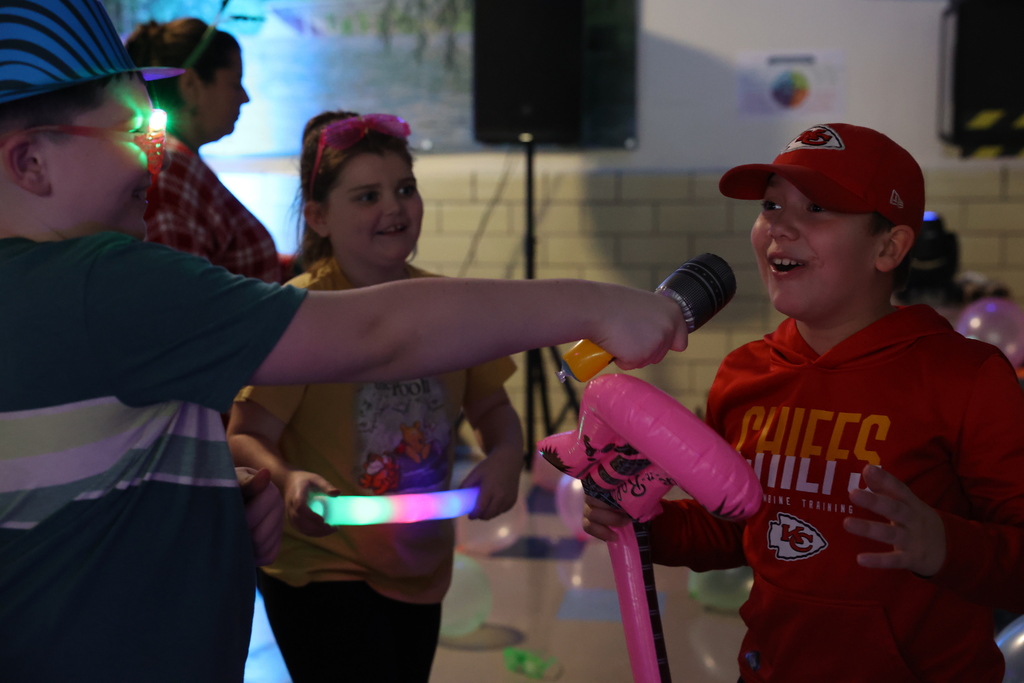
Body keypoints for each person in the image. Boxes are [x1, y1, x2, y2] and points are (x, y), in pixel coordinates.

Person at [0, 2, 687, 681]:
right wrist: (594, 303)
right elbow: (379, 332)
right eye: (136, 132)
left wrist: (212, 494)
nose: (157, 160)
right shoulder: (106, 283)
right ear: (31, 161)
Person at [584, 123, 1024, 682]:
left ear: (888, 247)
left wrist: (944, 546)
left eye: (816, 208)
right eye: (770, 205)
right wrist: (642, 523)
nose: (779, 227)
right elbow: (733, 527)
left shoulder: (966, 377)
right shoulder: (744, 374)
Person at [227, 110, 523, 682]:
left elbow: (491, 409)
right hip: (320, 566)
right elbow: (243, 436)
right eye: (367, 196)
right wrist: (289, 481)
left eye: (405, 189)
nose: (394, 207)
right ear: (318, 217)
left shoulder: (453, 307)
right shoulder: (301, 315)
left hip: (420, 564)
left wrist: (507, 454)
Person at [126, 17, 287, 282]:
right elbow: (184, 296)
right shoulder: (168, 171)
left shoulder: (178, 164)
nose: (245, 97)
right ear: (191, 86)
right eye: (235, 82)